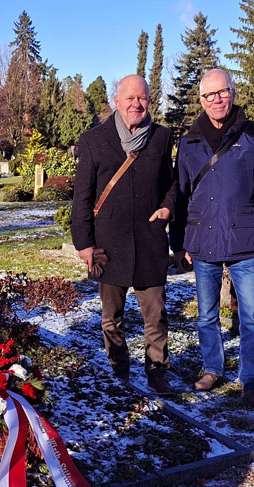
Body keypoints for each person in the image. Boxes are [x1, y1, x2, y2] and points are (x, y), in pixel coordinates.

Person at [170, 69, 254, 406]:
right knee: (207, 315)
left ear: (232, 93)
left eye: (222, 92)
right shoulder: (189, 141)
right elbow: (179, 194)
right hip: (201, 241)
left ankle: (252, 380)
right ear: (201, 101)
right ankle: (212, 368)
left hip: (245, 244)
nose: (216, 100)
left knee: (252, 317)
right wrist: (179, 245)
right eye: (209, 95)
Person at [71, 74, 177, 394]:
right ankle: (119, 368)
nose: (136, 104)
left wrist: (168, 207)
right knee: (111, 316)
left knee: (156, 315)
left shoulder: (161, 137)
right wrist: (84, 243)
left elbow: (171, 183)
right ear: (116, 102)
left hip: (149, 241)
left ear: (150, 101)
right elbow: (82, 196)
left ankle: (157, 371)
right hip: (108, 244)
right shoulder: (94, 140)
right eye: (129, 98)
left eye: (142, 98)